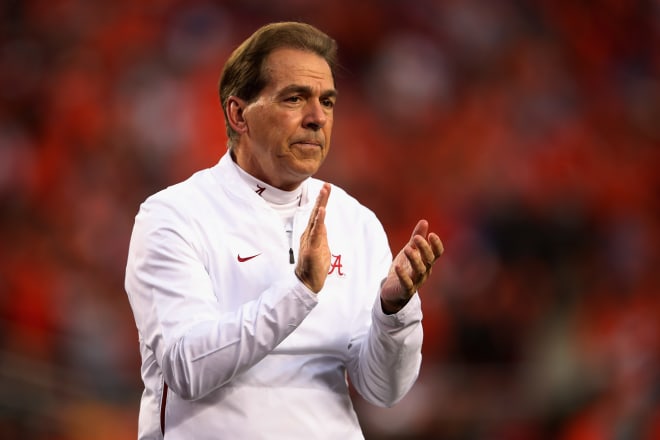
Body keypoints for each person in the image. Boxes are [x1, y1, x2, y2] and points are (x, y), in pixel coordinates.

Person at [124, 21, 444, 440]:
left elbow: (384, 390)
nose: (317, 118)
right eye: (295, 98)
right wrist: (299, 292)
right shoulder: (174, 216)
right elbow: (187, 368)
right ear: (238, 114)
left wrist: (394, 312)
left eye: (327, 102)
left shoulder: (355, 221)